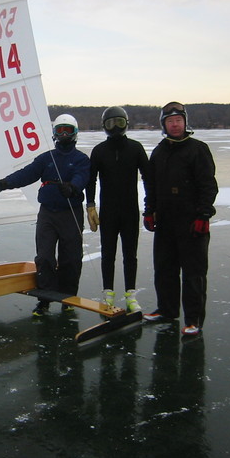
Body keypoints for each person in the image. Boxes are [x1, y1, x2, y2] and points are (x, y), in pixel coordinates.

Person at [0, 114, 90, 317]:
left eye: (67, 130)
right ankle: (45, 299)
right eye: (59, 130)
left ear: (75, 133)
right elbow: (27, 174)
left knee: (70, 258)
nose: (63, 134)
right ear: (54, 133)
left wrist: (73, 187)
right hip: (47, 214)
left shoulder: (81, 159)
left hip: (71, 214)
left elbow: (82, 176)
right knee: (44, 257)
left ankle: (67, 297)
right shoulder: (46, 158)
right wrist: (3, 183)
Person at [142, 101, 218, 336]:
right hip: (165, 220)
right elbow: (151, 185)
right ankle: (167, 310)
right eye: (170, 121)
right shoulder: (160, 150)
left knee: (193, 273)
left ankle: (193, 319)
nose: (175, 125)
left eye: (178, 120)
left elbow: (208, 185)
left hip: (192, 221)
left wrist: (204, 214)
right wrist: (149, 210)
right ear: (163, 124)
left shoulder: (197, 149)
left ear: (185, 122)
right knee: (164, 268)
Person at [85, 106, 150, 313]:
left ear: (126, 124)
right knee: (108, 253)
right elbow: (90, 180)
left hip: (130, 211)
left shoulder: (136, 148)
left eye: (119, 123)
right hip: (109, 212)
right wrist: (90, 205)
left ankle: (130, 295)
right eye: (110, 123)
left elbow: (148, 178)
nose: (115, 127)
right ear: (104, 126)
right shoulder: (99, 151)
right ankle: (108, 294)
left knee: (130, 254)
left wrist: (151, 206)